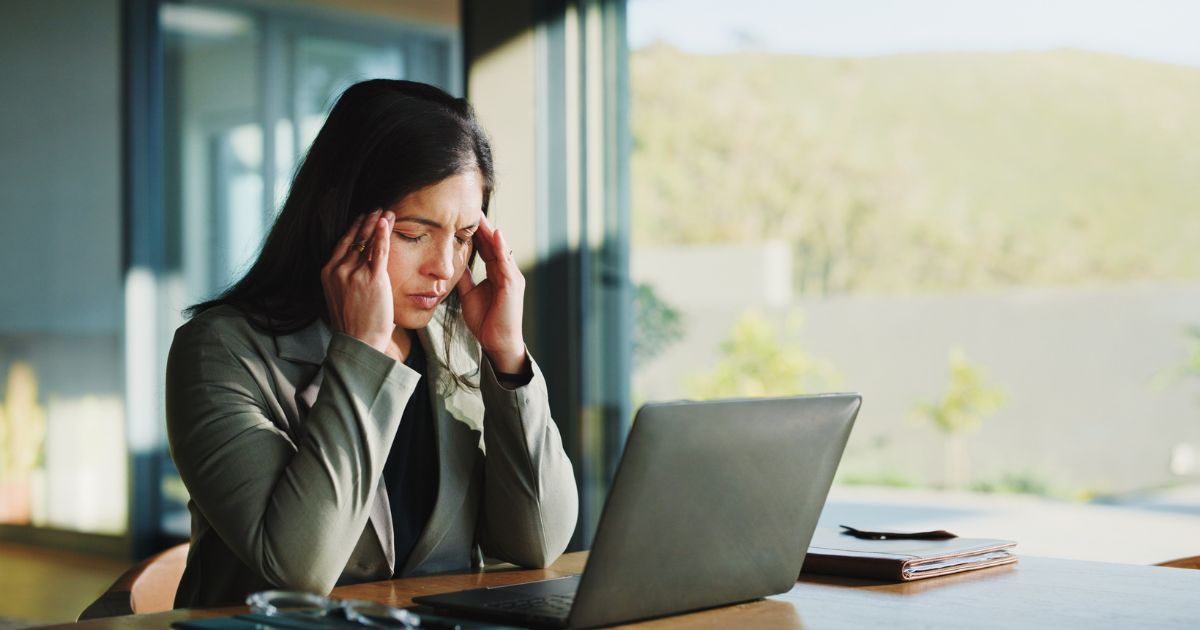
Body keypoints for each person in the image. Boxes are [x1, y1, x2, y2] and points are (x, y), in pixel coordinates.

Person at [165, 79, 578, 607]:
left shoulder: (456, 342)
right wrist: (359, 353)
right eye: (413, 234)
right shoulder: (221, 353)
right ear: (336, 213)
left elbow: (538, 542)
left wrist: (508, 359)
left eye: (463, 236)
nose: (446, 268)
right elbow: (299, 570)